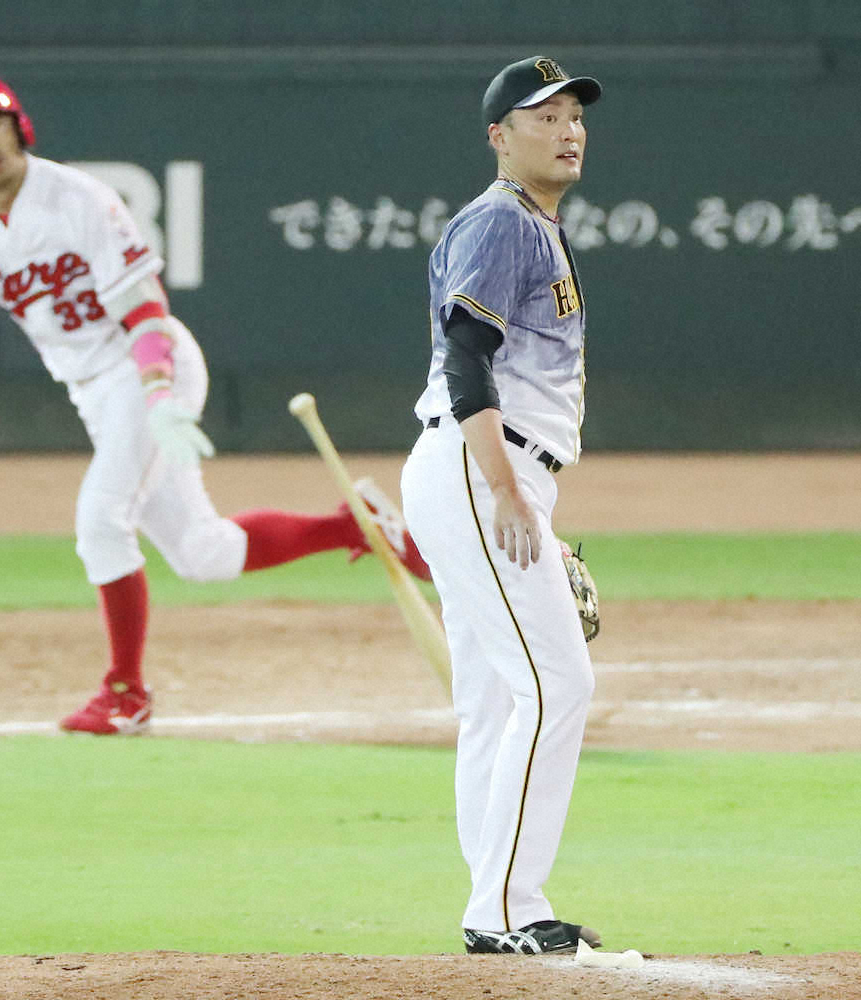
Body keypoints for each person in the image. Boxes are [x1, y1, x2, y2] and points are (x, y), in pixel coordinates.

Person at [0, 72, 430, 736]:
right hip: (91, 388)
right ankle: (354, 526)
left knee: (100, 520)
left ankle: (125, 693)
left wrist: (159, 392)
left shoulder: (79, 199)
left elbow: (143, 307)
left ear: (20, 126)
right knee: (202, 554)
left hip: (146, 366)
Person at [400, 56, 603, 954]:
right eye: (542, 116)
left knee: (492, 698)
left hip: (478, 468)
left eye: (573, 115)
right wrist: (507, 490)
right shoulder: (499, 221)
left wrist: (514, 491)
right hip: (481, 464)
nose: (567, 130)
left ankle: (495, 904)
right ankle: (508, 908)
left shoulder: (532, 224)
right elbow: (465, 354)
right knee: (557, 685)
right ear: (498, 136)